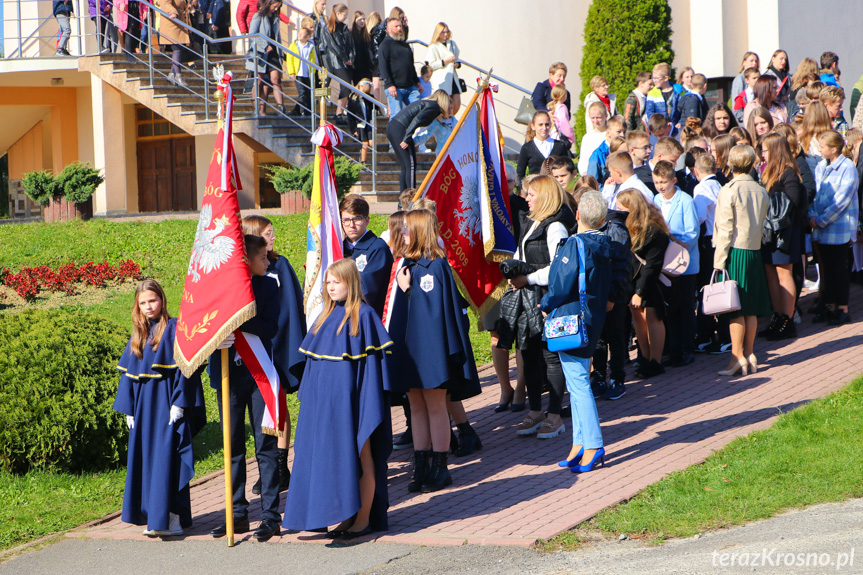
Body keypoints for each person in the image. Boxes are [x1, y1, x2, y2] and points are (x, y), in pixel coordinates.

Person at [283, 259, 392, 540]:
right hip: (324, 408)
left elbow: (370, 371)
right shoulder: (323, 318)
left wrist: (362, 404)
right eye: (328, 282)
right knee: (336, 460)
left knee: (361, 455)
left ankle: (363, 519)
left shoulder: (364, 317)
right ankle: (344, 516)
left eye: (337, 282)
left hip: (355, 404)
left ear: (351, 283)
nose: (331, 287)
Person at [396, 209, 481, 492]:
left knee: (435, 407)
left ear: (420, 231)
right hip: (410, 351)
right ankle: (420, 468)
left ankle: (440, 468)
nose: (403, 233)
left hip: (431, 352)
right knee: (416, 408)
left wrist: (408, 291)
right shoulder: (409, 264)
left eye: (407, 228)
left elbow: (431, 314)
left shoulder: (435, 266)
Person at [114, 279, 204, 537]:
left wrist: (179, 402)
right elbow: (129, 375)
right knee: (146, 460)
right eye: (142, 303)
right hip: (144, 408)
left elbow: (186, 369)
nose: (148, 307)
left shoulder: (175, 329)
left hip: (167, 404)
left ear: (162, 300)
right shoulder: (138, 334)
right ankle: (155, 517)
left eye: (152, 300)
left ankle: (173, 517)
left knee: (169, 457)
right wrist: (129, 408)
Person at [209, 235, 282, 541]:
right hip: (229, 376)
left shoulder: (268, 287)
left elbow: (270, 327)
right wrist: (218, 334)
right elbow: (205, 323)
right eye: (263, 258)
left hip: (258, 376)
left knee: (264, 446)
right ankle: (237, 512)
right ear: (246, 261)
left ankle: (270, 515)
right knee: (233, 445)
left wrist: (237, 324)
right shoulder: (220, 289)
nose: (268, 262)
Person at [541, 190, 613, 472]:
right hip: (592, 318)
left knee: (579, 385)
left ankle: (593, 444)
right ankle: (579, 443)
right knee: (578, 380)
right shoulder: (607, 243)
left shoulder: (575, 244)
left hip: (571, 319)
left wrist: (545, 303)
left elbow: (559, 284)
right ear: (604, 219)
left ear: (578, 216)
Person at [499, 175, 574, 441]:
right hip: (527, 299)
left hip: (547, 299)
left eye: (531, 194)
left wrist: (527, 278)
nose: (526, 198)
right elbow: (522, 255)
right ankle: (535, 411)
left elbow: (559, 269)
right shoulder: (531, 223)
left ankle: (555, 415)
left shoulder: (556, 227)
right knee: (528, 353)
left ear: (544, 197)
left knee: (550, 357)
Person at [241, 216, 306, 495]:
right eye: (269, 233)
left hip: (278, 341)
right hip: (252, 348)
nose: (274, 238)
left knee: (278, 403)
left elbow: (292, 305)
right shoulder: (243, 270)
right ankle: (264, 469)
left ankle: (281, 465)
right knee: (259, 410)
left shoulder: (281, 265)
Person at [713, 145, 771, 376]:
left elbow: (725, 229)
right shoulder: (760, 189)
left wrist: (719, 262)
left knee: (735, 307)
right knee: (751, 308)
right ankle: (749, 353)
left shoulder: (729, 190)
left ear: (731, 164)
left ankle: (736, 358)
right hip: (754, 251)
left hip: (736, 251)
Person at [758, 133, 806, 341]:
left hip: (785, 233)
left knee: (783, 274)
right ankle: (777, 318)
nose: (762, 154)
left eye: (766, 150)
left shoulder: (788, 173)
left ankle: (787, 320)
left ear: (775, 150)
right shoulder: (767, 172)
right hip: (770, 232)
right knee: (771, 274)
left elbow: (793, 202)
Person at [809, 130, 859, 325]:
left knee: (839, 269)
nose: (819, 150)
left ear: (834, 148)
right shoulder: (821, 167)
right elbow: (816, 194)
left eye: (822, 147)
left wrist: (820, 219)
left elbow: (841, 201)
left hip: (839, 227)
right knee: (827, 269)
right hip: (821, 227)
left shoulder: (847, 168)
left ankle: (842, 309)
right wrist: (812, 214)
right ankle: (829, 305)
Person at [652, 160, 700, 367]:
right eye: (656, 182)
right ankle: (673, 348)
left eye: (664, 182)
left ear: (673, 180)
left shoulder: (685, 200)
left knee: (685, 306)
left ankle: (687, 347)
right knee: (670, 306)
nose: (661, 187)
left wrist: (673, 239)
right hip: (665, 263)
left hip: (683, 261)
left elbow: (692, 232)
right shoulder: (655, 199)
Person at [692, 153, 732, 353]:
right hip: (721, 239)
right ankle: (722, 334)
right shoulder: (720, 185)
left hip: (708, 241)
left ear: (695, 171)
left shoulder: (701, 188)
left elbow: (699, 218)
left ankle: (712, 336)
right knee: (719, 285)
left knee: (708, 289)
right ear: (715, 170)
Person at [387, 90, 452, 193]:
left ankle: (403, 200)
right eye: (449, 102)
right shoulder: (434, 106)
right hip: (400, 129)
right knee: (411, 165)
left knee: (405, 166)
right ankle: (412, 197)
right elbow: (416, 120)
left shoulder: (430, 105)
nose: (449, 105)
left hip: (393, 127)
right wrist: (407, 137)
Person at [340, 194, 394, 318]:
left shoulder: (377, 248)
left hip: (367, 317)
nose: (351, 225)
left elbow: (367, 291)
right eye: (346, 220)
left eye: (357, 219)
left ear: (367, 220)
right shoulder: (339, 248)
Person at [246, 0, 286, 116]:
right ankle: (257, 109)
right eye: (274, 6)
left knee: (276, 79)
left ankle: (281, 108)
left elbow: (277, 37)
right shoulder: (258, 16)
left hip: (274, 53)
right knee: (259, 80)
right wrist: (264, 45)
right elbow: (252, 34)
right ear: (268, 4)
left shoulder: (275, 18)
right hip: (260, 53)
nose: (275, 9)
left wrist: (281, 53)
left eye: (278, 7)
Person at [317, 3, 355, 124]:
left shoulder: (344, 28)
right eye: (344, 15)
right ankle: (316, 109)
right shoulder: (328, 29)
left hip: (342, 61)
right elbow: (333, 47)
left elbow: (350, 45)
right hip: (332, 61)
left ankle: (339, 112)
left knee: (346, 85)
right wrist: (345, 58)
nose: (346, 17)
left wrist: (351, 58)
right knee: (325, 85)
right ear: (338, 14)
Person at [378, 16, 420, 117]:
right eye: (396, 26)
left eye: (400, 26)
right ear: (388, 29)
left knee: (419, 113)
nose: (399, 28)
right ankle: (393, 133)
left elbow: (411, 65)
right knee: (396, 116)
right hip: (395, 88)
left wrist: (417, 82)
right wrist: (389, 84)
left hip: (410, 87)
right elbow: (383, 67)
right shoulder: (385, 45)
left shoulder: (405, 45)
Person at [517, 110, 571, 180]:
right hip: (535, 188)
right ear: (533, 126)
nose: (544, 128)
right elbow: (520, 174)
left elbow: (567, 168)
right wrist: (526, 189)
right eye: (540, 125)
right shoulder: (527, 148)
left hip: (555, 188)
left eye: (547, 124)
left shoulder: (560, 145)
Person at [425, 22, 463, 112]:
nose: (445, 34)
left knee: (456, 103)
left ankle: (451, 121)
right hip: (442, 78)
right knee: (445, 104)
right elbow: (430, 65)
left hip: (453, 77)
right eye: (443, 32)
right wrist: (444, 62)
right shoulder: (433, 47)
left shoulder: (452, 44)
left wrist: (457, 64)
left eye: (447, 32)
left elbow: (457, 58)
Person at [286, 17, 316, 117]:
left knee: (308, 92)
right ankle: (303, 112)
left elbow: (312, 60)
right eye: (299, 33)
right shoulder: (294, 45)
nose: (299, 35)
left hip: (307, 73)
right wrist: (291, 72)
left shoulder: (310, 46)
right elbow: (289, 59)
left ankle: (303, 111)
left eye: (302, 34)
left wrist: (314, 71)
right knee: (302, 92)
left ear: (307, 37)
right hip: (298, 73)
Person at [156, 0, 191, 87]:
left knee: (181, 48)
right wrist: (173, 12)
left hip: (181, 22)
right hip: (172, 22)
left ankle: (172, 74)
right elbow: (165, 3)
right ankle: (178, 76)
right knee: (177, 48)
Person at [586, 115, 626, 184]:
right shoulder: (598, 155)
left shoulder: (626, 150)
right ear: (608, 132)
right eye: (618, 132)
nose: (622, 135)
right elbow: (592, 183)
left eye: (624, 132)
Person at [645, 63, 683, 135]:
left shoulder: (680, 89)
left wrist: (681, 122)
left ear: (666, 78)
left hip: (677, 131)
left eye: (656, 78)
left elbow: (686, 108)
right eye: (653, 78)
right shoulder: (652, 93)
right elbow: (650, 113)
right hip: (660, 131)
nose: (654, 81)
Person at [347, 79, 377, 162]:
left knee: (371, 143)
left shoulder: (368, 98)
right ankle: (363, 161)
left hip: (369, 123)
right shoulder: (353, 98)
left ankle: (363, 154)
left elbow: (376, 106)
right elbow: (350, 115)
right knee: (365, 144)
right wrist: (353, 129)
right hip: (360, 124)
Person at [578, 102, 609, 175]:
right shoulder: (587, 137)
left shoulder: (610, 134)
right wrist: (585, 173)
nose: (595, 121)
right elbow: (583, 159)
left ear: (606, 116)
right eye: (593, 118)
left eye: (598, 118)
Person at [350, 12, 375, 85]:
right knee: (358, 86)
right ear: (355, 20)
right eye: (360, 19)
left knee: (367, 86)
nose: (362, 21)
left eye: (364, 19)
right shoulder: (351, 33)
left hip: (366, 65)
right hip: (357, 66)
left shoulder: (366, 34)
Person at [366, 11, 385, 102]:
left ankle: (376, 105)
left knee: (375, 83)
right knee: (383, 83)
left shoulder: (367, 33)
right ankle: (385, 107)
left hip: (371, 60)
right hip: (380, 58)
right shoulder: (380, 31)